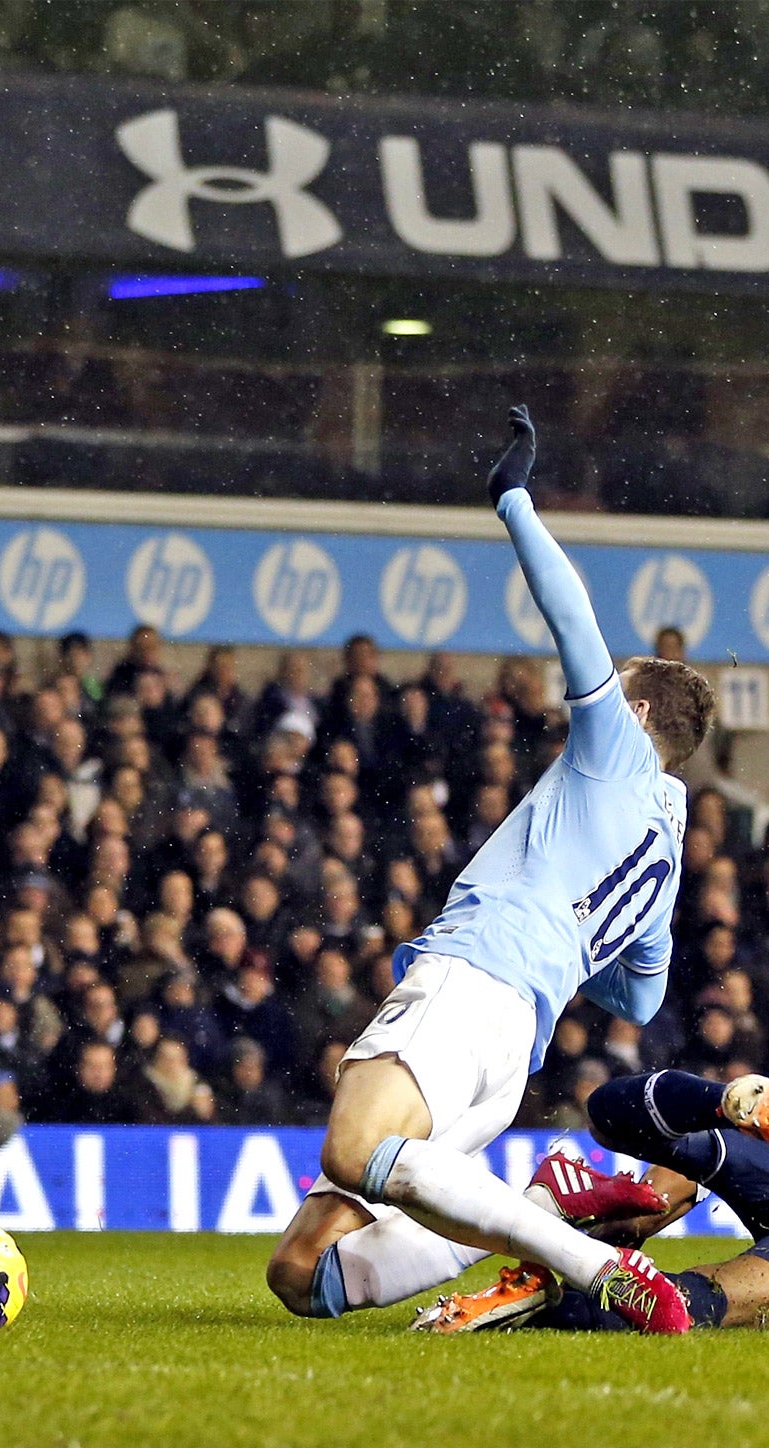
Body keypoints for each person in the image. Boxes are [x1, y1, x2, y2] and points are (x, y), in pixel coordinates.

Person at [265, 408, 716, 1335]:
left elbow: (572, 620)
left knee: (354, 1150)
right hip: (515, 1044)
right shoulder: (665, 853)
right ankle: (548, 1208)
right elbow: (638, 1001)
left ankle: (595, 1265)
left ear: (635, 711)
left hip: (470, 983)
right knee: (301, 1273)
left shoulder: (616, 754)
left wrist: (513, 500)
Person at [421, 1072, 769, 1332]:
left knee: (685, 1299)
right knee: (691, 1301)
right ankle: (539, 1303)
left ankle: (537, 1304)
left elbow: (659, 1197)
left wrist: (615, 1231)